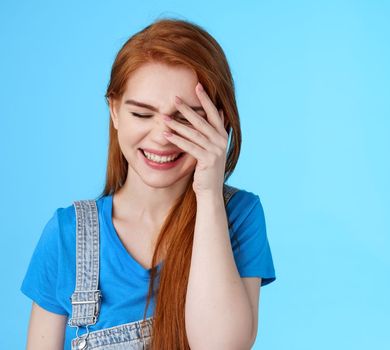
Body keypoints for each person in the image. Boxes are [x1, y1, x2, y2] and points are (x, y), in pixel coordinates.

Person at [20, 17, 277, 350]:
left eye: (186, 118)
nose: (162, 137)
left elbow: (222, 346)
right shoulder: (66, 235)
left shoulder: (238, 216)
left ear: (219, 121)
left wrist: (209, 195)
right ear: (114, 112)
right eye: (142, 114)